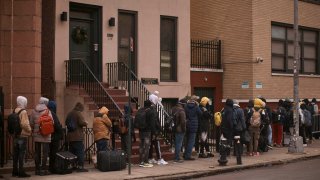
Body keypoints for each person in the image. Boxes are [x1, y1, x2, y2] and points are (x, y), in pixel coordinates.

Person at [30, 97, 54, 176]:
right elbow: (52, 122)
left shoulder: (34, 111)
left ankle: (37, 169)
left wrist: (36, 128)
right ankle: (43, 170)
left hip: (37, 134)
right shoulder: (48, 111)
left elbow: (31, 123)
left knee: (37, 152)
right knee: (45, 153)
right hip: (46, 135)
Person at [11, 96, 32, 178]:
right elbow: (24, 124)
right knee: (21, 154)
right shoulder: (23, 112)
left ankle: (14, 171)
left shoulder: (15, 110)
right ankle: (21, 171)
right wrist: (30, 130)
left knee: (15, 154)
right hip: (22, 135)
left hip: (16, 135)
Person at [66, 102, 88, 172]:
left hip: (70, 136)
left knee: (72, 152)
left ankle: (72, 165)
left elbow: (66, 122)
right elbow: (81, 123)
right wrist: (85, 123)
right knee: (80, 152)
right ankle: (80, 166)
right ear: (80, 108)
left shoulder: (69, 113)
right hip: (77, 136)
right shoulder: (78, 113)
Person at [148, 94, 168, 165]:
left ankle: (150, 158)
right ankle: (159, 158)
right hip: (154, 131)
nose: (157, 101)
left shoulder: (148, 108)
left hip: (149, 131)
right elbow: (154, 122)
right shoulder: (153, 110)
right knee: (157, 144)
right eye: (156, 100)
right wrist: (155, 132)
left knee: (151, 145)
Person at [138, 100, 155, 168]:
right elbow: (152, 123)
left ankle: (141, 161)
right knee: (147, 146)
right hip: (147, 131)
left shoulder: (140, 110)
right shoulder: (150, 111)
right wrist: (153, 133)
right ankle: (145, 161)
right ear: (150, 105)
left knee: (141, 145)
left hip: (141, 130)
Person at [184, 95, 202, 160]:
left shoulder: (186, 106)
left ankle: (185, 154)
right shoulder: (196, 106)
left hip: (187, 124)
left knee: (187, 141)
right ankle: (188, 156)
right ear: (195, 100)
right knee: (191, 141)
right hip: (194, 125)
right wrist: (198, 106)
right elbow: (200, 114)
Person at [47, 100, 63, 174]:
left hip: (49, 136)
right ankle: (53, 168)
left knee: (51, 153)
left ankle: (51, 167)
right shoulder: (53, 114)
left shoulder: (47, 113)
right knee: (54, 153)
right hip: (55, 137)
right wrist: (61, 129)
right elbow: (57, 125)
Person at [233, 99, 246, 164]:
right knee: (239, 141)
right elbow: (242, 119)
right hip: (239, 128)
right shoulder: (240, 110)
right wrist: (244, 127)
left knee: (235, 141)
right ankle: (239, 154)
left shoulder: (231, 109)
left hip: (233, 128)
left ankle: (235, 152)